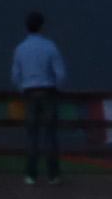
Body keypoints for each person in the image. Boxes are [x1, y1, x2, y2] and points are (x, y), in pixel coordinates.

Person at [11, 11, 69, 185]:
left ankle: (31, 174)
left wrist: (22, 89)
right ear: (42, 27)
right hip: (48, 91)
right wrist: (56, 88)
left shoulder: (20, 49)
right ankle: (53, 175)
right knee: (50, 134)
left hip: (29, 92)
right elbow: (61, 73)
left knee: (31, 135)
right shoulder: (50, 47)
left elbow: (15, 75)